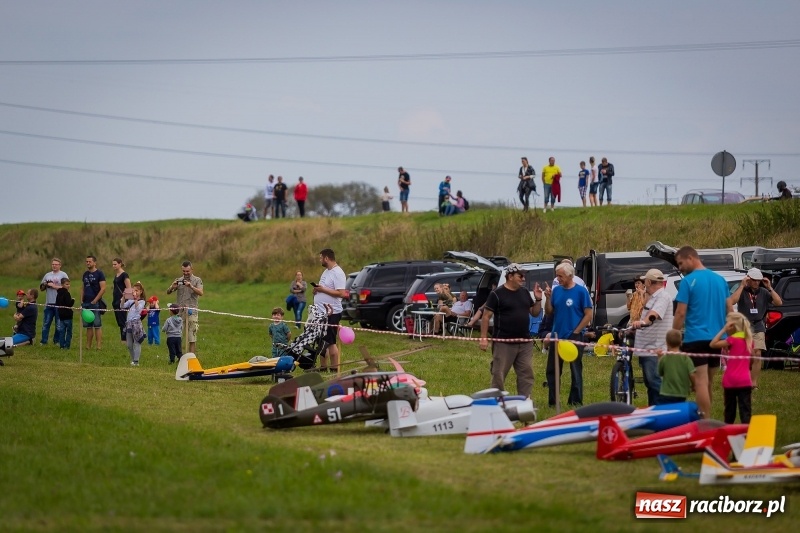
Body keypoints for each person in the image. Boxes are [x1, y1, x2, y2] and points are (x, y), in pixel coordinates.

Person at [672, 246, 730, 419]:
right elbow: (730, 310)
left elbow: (680, 313)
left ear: (690, 258)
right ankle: (708, 419)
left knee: (700, 383)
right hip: (717, 339)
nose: (680, 268)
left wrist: (673, 336)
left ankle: (704, 421)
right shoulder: (720, 280)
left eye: (680, 263)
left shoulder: (688, 281)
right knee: (708, 382)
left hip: (696, 338)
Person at [479, 264, 542, 399]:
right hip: (503, 342)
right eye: (520, 276)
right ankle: (497, 400)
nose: (523, 279)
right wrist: (483, 338)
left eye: (524, 276)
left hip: (524, 342)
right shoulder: (496, 294)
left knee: (526, 374)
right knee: (499, 373)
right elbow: (486, 316)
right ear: (510, 276)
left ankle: (525, 401)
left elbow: (534, 313)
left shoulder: (524, 292)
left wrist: (538, 299)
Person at [544, 262, 593, 406]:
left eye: (560, 276)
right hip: (557, 336)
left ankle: (575, 400)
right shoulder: (556, 291)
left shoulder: (581, 292)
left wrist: (577, 331)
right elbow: (549, 312)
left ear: (570, 276)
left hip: (575, 336)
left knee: (575, 370)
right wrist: (548, 298)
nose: (557, 279)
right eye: (557, 276)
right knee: (552, 370)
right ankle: (553, 402)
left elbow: (588, 315)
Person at [727, 267, 781, 388]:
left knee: (757, 354)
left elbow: (778, 302)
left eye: (758, 280)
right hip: (743, 326)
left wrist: (770, 288)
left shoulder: (764, 292)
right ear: (748, 279)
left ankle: (753, 383)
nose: (756, 282)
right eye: (754, 280)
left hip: (758, 326)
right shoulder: (742, 290)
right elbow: (731, 301)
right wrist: (742, 285)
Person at [631, 269, 673, 406]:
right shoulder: (653, 297)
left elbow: (653, 315)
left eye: (644, 282)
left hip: (655, 348)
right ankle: (653, 409)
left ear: (649, 282)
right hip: (647, 347)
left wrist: (643, 322)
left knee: (655, 382)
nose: (644, 284)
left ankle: (662, 411)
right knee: (650, 383)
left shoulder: (663, 297)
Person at [710, 312, 754, 424]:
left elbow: (713, 344)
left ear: (732, 326)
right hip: (745, 380)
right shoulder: (749, 340)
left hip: (730, 380)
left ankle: (728, 430)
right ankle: (746, 431)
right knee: (746, 410)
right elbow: (752, 359)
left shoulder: (731, 340)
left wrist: (723, 330)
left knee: (729, 411)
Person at [313, 248, 348, 372]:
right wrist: (317, 290)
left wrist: (323, 290)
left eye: (321, 258)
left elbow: (341, 293)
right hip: (320, 312)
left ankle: (334, 368)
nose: (320, 260)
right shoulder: (326, 272)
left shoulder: (338, 273)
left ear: (326, 258)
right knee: (321, 341)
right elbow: (324, 288)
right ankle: (323, 367)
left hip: (332, 313)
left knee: (330, 341)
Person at [166, 260, 204, 354]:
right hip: (179, 312)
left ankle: (191, 357)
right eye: (184, 271)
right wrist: (173, 287)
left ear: (192, 269)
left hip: (192, 311)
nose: (186, 273)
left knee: (192, 336)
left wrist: (191, 286)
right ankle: (180, 356)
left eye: (187, 271)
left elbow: (201, 292)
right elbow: (168, 292)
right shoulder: (179, 280)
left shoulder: (197, 280)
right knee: (178, 336)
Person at [656, 329, 697, 404]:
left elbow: (660, 372)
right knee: (678, 409)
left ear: (666, 343)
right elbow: (692, 374)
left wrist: (659, 358)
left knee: (668, 409)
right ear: (681, 342)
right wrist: (694, 385)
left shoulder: (664, 358)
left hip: (666, 392)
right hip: (681, 392)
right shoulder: (686, 358)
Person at [39, 257, 69, 346]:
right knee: (46, 323)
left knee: (59, 324)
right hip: (49, 303)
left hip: (59, 303)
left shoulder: (63, 275)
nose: (54, 266)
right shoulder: (47, 275)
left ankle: (57, 341)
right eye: (53, 264)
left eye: (56, 264)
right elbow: (41, 288)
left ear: (60, 265)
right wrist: (45, 284)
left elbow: (66, 287)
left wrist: (53, 286)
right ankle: (43, 341)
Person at [80, 255, 106, 350]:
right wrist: (81, 300)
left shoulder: (100, 274)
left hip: (95, 303)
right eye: (86, 261)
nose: (88, 263)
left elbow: (103, 288)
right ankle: (88, 346)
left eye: (89, 261)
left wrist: (95, 300)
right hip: (85, 303)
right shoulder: (85, 274)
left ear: (95, 263)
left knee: (97, 325)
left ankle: (98, 346)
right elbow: (83, 288)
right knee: (88, 326)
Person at [121, 283, 146, 366]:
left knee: (137, 342)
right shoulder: (130, 300)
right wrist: (123, 297)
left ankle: (136, 361)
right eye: (133, 290)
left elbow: (138, 309)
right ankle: (133, 360)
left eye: (136, 290)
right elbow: (122, 306)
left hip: (136, 324)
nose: (134, 292)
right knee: (129, 344)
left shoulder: (142, 301)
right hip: (129, 324)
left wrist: (135, 299)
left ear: (141, 292)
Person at [111, 258, 132, 343]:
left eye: (115, 264)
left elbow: (129, 288)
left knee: (123, 320)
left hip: (122, 300)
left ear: (120, 264)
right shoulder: (116, 275)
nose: (114, 266)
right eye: (113, 264)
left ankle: (125, 339)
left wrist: (125, 299)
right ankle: (123, 338)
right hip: (115, 300)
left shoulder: (124, 275)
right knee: (119, 321)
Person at [55, 278, 74, 349]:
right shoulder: (67, 293)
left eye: (69, 284)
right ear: (62, 285)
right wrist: (73, 300)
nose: (68, 286)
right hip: (68, 316)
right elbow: (69, 304)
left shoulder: (58, 293)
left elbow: (57, 303)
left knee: (62, 331)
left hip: (61, 316)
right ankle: (67, 346)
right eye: (66, 284)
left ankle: (61, 345)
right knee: (68, 332)